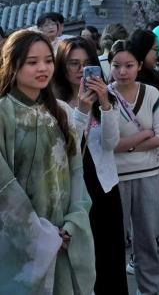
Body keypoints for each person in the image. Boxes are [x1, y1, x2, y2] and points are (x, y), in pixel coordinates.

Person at [0, 30, 95, 294]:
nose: (43, 68)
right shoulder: (3, 113)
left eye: (48, 61)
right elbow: (4, 187)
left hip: (63, 232)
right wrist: (40, 233)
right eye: (32, 62)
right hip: (20, 239)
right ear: (12, 64)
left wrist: (73, 222)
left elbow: (76, 172)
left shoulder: (61, 111)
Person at [54, 37, 127, 294]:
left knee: (111, 255)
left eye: (86, 64)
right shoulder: (55, 103)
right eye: (73, 63)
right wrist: (82, 109)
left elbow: (111, 143)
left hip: (105, 186)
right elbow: (66, 149)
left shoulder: (106, 97)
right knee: (84, 258)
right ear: (61, 66)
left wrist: (105, 104)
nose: (80, 70)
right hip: (75, 190)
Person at [109, 39, 159, 295]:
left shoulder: (151, 94)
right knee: (114, 241)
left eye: (129, 65)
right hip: (115, 177)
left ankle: (149, 290)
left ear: (139, 66)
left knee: (146, 238)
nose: (122, 71)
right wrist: (143, 136)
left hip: (148, 175)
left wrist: (128, 145)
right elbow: (109, 144)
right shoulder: (105, 95)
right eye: (116, 65)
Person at [130, 29, 159, 97]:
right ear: (144, 49)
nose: (158, 54)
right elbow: (152, 95)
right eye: (156, 49)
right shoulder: (134, 76)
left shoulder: (150, 72)